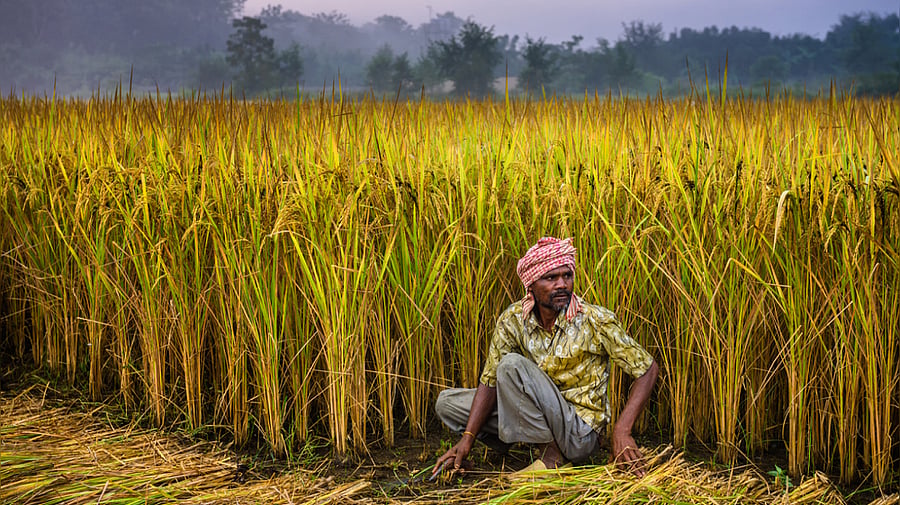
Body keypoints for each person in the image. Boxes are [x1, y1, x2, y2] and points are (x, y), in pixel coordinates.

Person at [432, 236, 658, 479]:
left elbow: (647, 368)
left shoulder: (594, 320)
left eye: (567, 276)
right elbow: (488, 381)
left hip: (578, 433)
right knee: (447, 403)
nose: (562, 284)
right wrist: (467, 440)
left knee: (510, 365)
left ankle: (552, 459)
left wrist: (621, 430)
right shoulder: (513, 320)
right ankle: (532, 443)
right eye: (551, 278)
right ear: (531, 285)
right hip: (542, 419)